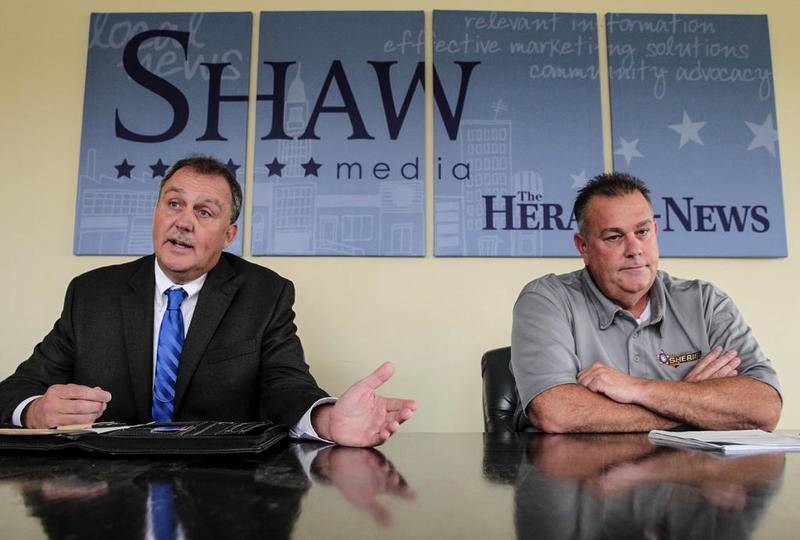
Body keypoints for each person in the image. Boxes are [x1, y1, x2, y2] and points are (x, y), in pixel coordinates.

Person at [0, 155, 416, 447]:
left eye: (204, 212)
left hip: (221, 488)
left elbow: (285, 385)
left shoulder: (265, 293)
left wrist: (326, 418)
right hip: (105, 486)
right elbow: (16, 388)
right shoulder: (92, 293)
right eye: (174, 203)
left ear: (229, 235)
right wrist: (35, 410)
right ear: (156, 212)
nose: (183, 221)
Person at [511, 172, 781, 433]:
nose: (635, 249)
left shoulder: (705, 302)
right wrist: (692, 403)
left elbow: (764, 408)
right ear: (583, 247)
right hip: (583, 476)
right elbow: (557, 413)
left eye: (642, 232)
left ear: (656, 232)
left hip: (687, 476)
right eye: (614, 237)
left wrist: (637, 389)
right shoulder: (546, 299)